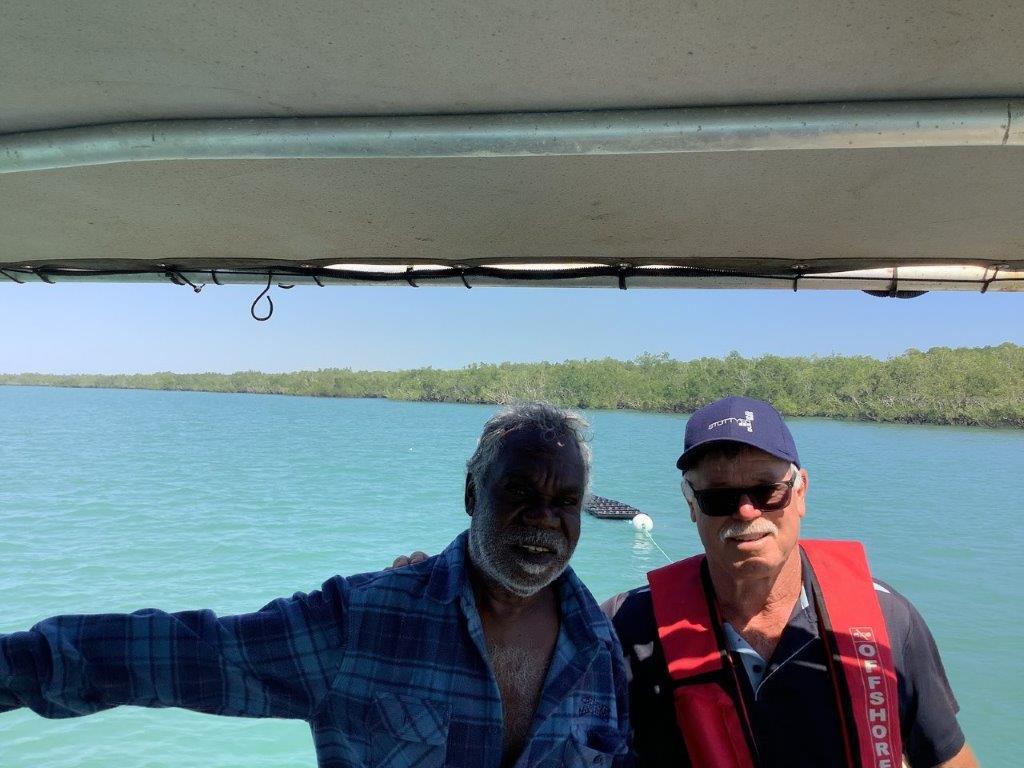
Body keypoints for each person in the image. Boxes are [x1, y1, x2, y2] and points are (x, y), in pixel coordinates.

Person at [0, 402, 631, 768]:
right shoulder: (363, 622)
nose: (543, 518)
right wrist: (15, 667)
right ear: (472, 494)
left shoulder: (600, 651)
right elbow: (182, 654)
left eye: (565, 501)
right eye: (519, 491)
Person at [605, 395, 978, 768]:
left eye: (768, 490)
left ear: (800, 493)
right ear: (690, 505)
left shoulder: (888, 621)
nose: (747, 511)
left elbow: (948, 758)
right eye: (718, 497)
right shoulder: (625, 627)